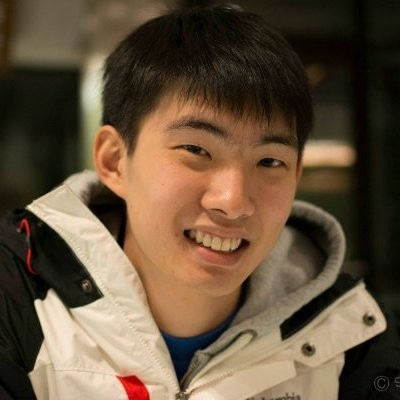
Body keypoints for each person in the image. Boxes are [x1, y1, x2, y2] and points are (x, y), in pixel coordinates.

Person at [0, 4, 399, 400]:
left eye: (269, 161)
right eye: (196, 150)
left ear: (296, 176)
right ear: (114, 160)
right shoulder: (16, 305)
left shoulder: (354, 338)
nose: (233, 202)